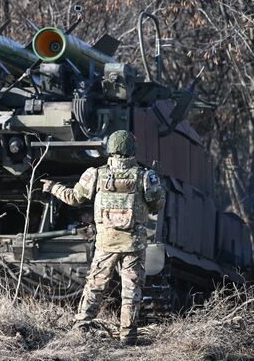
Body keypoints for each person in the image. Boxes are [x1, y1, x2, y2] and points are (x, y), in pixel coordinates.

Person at [41, 130, 166, 346]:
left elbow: (74, 197)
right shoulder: (145, 176)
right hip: (133, 244)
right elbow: (157, 205)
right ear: (131, 150)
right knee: (131, 291)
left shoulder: (95, 174)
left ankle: (81, 328)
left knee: (95, 286)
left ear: (110, 150)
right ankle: (128, 336)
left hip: (106, 243)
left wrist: (53, 187)